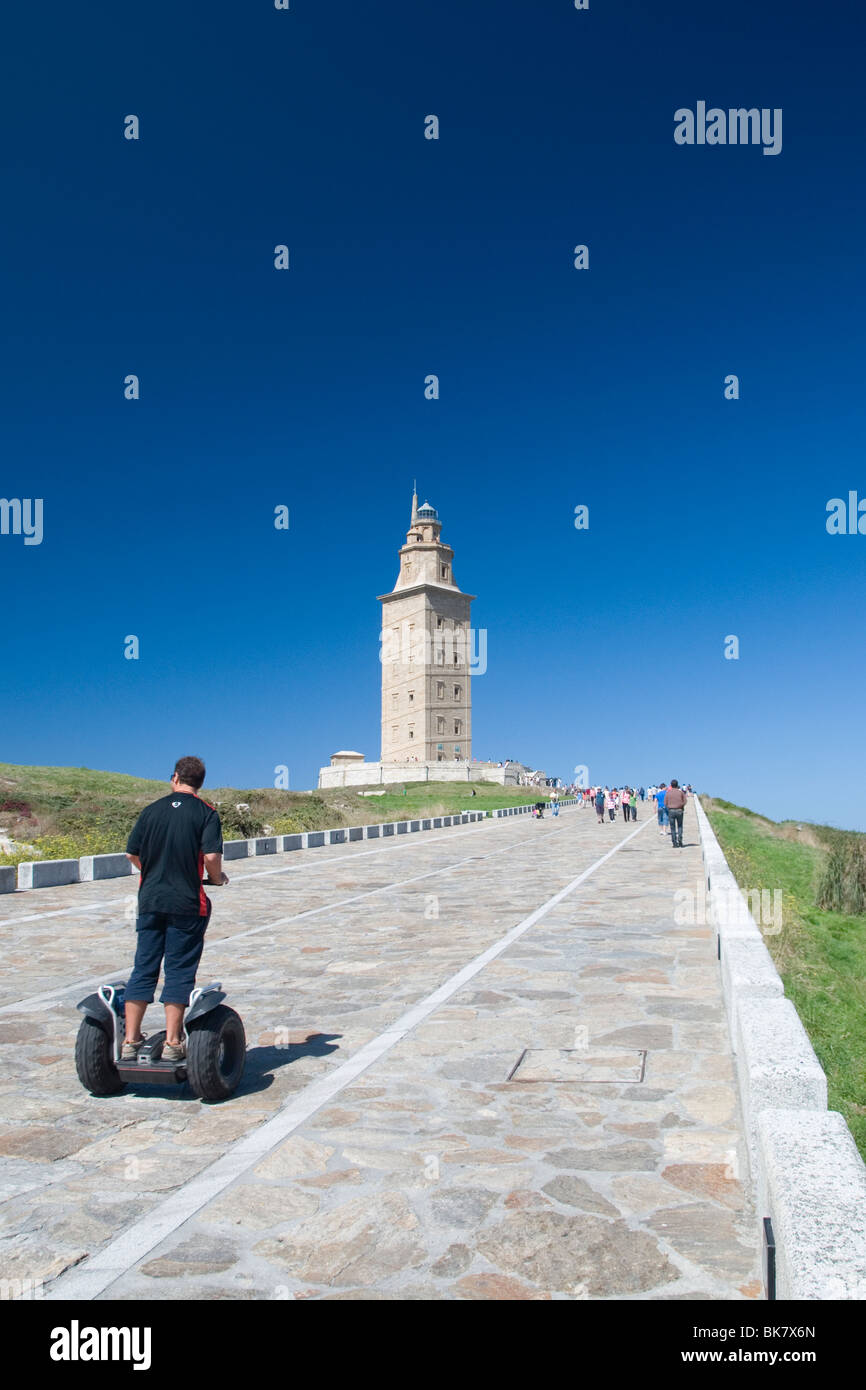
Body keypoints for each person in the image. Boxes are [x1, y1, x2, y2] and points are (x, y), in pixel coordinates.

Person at [122, 756, 226, 1062]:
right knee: (179, 970)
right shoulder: (206, 813)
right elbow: (210, 857)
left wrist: (152, 870)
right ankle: (172, 1041)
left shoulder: (151, 810)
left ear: (175, 778)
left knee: (144, 966)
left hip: (151, 899)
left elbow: (131, 853)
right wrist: (216, 879)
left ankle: (129, 1040)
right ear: (200, 782)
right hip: (188, 902)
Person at [664, 779, 688, 848]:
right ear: (677, 785)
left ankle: (674, 843)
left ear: (671, 785)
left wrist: (669, 807)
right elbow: (685, 801)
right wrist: (681, 805)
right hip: (679, 810)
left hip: (671, 811)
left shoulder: (668, 793)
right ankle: (680, 840)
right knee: (680, 826)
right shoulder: (680, 792)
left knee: (672, 827)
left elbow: (665, 803)